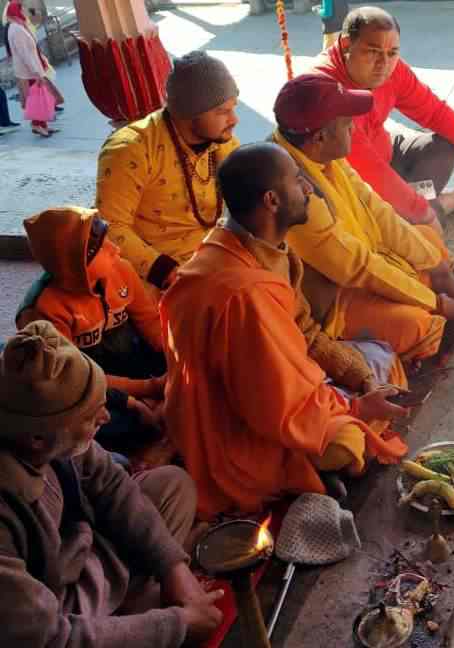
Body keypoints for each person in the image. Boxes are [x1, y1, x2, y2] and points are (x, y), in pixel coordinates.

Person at [160, 142, 410, 520]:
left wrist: (358, 380)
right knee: (348, 440)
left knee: (379, 365)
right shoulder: (243, 293)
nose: (308, 189)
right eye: (298, 181)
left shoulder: (262, 251)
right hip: (231, 432)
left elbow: (305, 332)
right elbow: (272, 407)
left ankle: (329, 449)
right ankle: (306, 475)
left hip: (276, 395)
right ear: (272, 201)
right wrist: (355, 406)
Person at [0, 320, 223, 648]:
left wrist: (173, 566)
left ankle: (137, 609)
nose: (104, 418)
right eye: (91, 417)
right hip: (50, 608)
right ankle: (132, 616)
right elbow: (48, 639)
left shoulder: (44, 424)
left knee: (173, 487)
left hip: (86, 556)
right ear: (36, 439)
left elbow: (110, 484)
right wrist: (177, 625)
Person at [272, 74, 454, 362]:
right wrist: (435, 302)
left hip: (371, 258)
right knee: (416, 325)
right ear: (320, 137)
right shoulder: (293, 189)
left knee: (428, 241)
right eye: (346, 123)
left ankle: (425, 284)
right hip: (338, 297)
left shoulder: (323, 152)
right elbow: (358, 267)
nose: (354, 127)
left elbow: (377, 208)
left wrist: (436, 266)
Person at [313, 6, 454, 228]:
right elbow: (370, 171)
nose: (383, 65)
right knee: (393, 223)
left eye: (392, 53)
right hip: (352, 183)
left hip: (385, 152)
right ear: (345, 46)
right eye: (372, 52)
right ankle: (449, 202)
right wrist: (423, 213)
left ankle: (417, 213)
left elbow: (433, 111)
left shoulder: (392, 69)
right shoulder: (326, 91)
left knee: (440, 150)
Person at [18, 207, 167, 455]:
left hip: (128, 359)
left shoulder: (121, 269)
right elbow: (73, 380)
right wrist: (147, 391)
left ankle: (154, 411)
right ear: (76, 265)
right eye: (103, 248)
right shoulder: (42, 311)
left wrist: (178, 364)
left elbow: (151, 324)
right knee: (84, 428)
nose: (115, 249)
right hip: (87, 385)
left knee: (196, 362)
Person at [95, 50, 240, 293]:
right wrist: (167, 273)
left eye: (233, 108)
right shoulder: (130, 150)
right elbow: (111, 227)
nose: (234, 119)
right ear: (190, 113)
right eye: (222, 111)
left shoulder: (223, 142)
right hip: (157, 274)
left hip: (215, 258)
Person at [6, 1, 63, 137]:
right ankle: (38, 125)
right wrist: (36, 73)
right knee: (37, 98)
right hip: (30, 71)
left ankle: (42, 125)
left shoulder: (19, 25)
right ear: (16, 11)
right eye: (22, 9)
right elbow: (25, 54)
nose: (25, 11)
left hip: (31, 69)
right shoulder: (16, 29)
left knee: (40, 97)